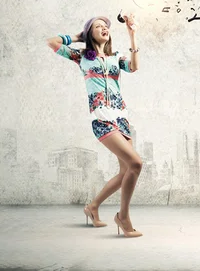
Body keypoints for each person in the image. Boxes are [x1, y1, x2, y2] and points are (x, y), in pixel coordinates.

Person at [46, 14, 143, 238]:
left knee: (126, 170)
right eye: (97, 27)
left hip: (121, 119)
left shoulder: (115, 57)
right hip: (102, 120)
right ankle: (123, 217)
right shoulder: (82, 57)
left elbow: (134, 67)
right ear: (90, 33)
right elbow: (52, 42)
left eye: (105, 26)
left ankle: (93, 206)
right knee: (136, 164)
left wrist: (132, 35)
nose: (103, 28)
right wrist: (79, 36)